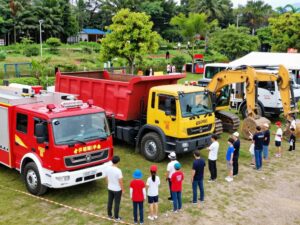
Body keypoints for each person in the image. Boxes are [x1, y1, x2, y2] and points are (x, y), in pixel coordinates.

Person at [105, 156, 124, 221]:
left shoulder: (107, 168)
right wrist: (123, 189)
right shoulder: (118, 171)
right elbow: (120, 181)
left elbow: (106, 177)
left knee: (110, 201)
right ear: (118, 162)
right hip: (117, 189)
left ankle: (109, 215)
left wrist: (108, 185)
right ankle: (116, 217)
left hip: (110, 188)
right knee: (117, 203)